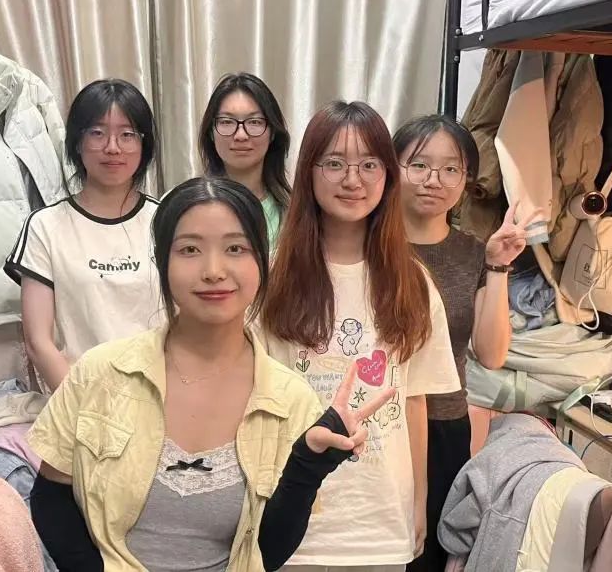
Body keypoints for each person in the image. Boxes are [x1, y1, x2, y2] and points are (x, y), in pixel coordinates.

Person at [27, 177, 394, 572]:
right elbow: (51, 499)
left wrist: (308, 467)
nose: (214, 270)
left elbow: (265, 553)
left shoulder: (290, 399)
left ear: (261, 261)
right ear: (162, 262)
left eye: (235, 248)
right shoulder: (99, 373)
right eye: (190, 249)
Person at [260, 101, 461, 571]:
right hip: (294, 517)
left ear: (388, 176)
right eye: (334, 163)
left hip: (380, 518)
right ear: (308, 173)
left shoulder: (413, 283)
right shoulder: (271, 278)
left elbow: (414, 400)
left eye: (369, 164)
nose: (353, 180)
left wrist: (418, 503)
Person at [393, 114, 531, 571]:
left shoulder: (474, 252)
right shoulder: (369, 245)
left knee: (429, 555)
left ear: (466, 179)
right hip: (379, 426)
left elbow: (491, 354)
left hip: (443, 426)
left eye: (450, 169)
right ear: (393, 168)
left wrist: (498, 266)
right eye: (419, 165)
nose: (434, 180)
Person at [5, 79, 160, 393]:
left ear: (144, 145)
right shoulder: (45, 226)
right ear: (77, 142)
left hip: (158, 394)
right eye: (97, 133)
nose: (112, 147)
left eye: (127, 134)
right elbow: (38, 342)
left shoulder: (167, 221)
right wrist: (84, 408)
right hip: (77, 397)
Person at [198, 72, 291, 250]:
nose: (241, 135)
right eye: (227, 122)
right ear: (210, 132)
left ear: (272, 132)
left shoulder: (295, 214)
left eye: (254, 122)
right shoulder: (186, 207)